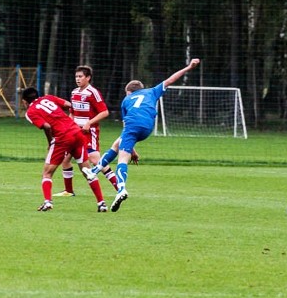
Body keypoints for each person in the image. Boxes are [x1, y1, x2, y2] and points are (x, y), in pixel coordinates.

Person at [83, 58, 201, 212]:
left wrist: (130, 151)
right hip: (148, 127)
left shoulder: (126, 100)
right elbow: (171, 79)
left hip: (132, 126)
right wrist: (189, 67)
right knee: (117, 144)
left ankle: (121, 189)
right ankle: (94, 171)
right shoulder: (152, 91)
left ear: (129, 92)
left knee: (122, 159)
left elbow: (127, 128)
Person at [21, 87, 107, 212]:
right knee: (86, 170)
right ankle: (101, 203)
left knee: (47, 173)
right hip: (76, 132)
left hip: (62, 138)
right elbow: (68, 104)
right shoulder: (48, 97)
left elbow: (47, 126)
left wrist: (50, 141)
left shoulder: (30, 112)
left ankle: (47, 202)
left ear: (24, 101)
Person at [55, 65, 123, 196]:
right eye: (76, 76)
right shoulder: (74, 92)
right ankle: (68, 191)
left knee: (96, 161)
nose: (77, 79)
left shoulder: (93, 93)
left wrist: (89, 123)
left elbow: (104, 112)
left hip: (89, 133)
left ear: (88, 78)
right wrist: (68, 127)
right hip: (74, 132)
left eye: (80, 76)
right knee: (65, 159)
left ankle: (119, 188)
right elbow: (72, 113)